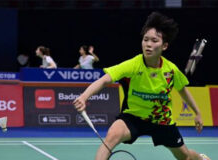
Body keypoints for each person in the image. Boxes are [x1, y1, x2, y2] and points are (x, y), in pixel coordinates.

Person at [73, 12, 210, 160]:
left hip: (161, 119)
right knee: (112, 136)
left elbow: (183, 91)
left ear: (164, 46)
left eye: (154, 40)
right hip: (134, 117)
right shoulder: (133, 65)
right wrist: (84, 97)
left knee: (185, 157)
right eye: (145, 40)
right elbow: (104, 80)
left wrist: (197, 113)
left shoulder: (171, 70)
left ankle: (201, 158)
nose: (148, 44)